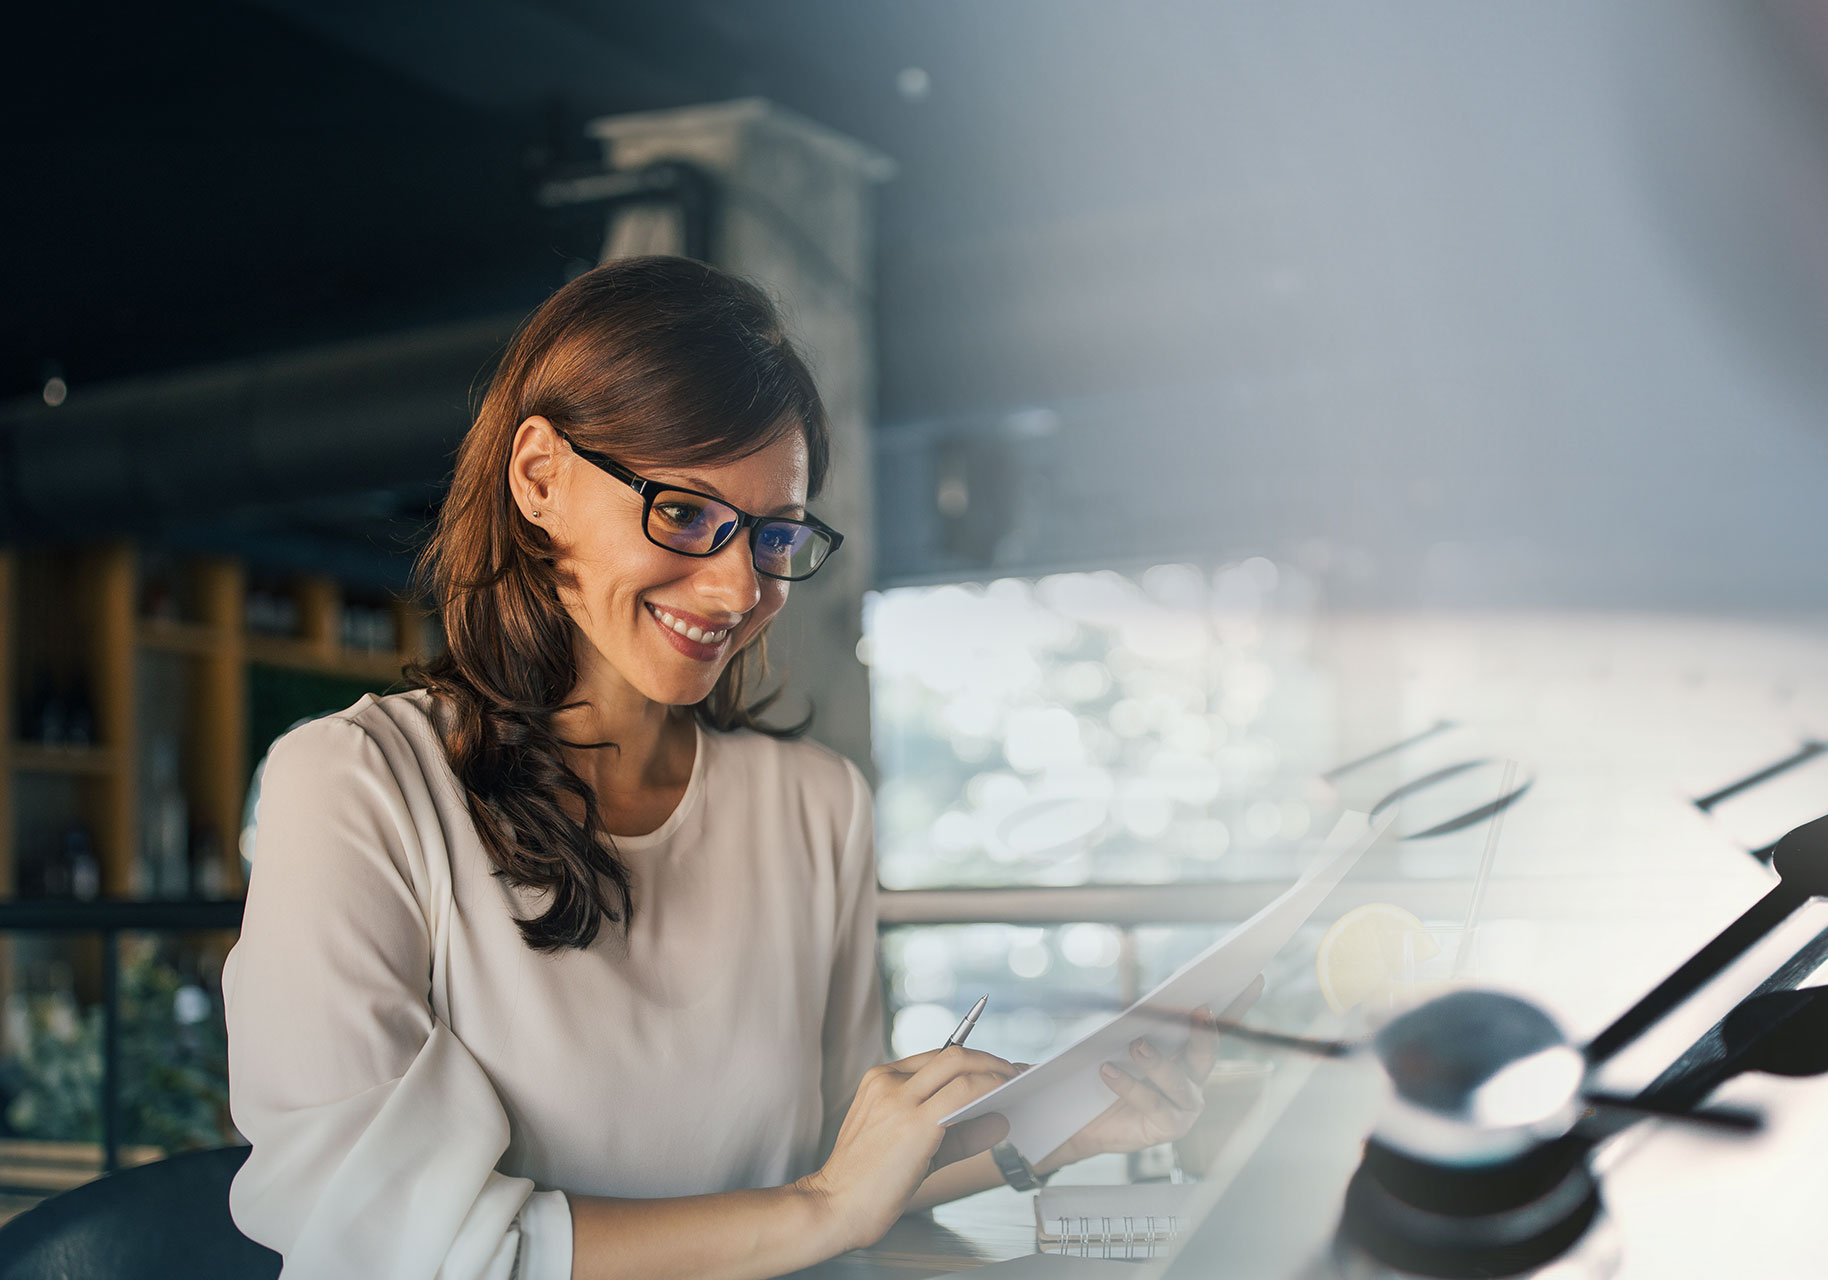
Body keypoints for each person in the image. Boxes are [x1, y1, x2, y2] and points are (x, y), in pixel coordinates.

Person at [222, 256, 1248, 1280]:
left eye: (773, 534)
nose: (734, 585)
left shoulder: (816, 805)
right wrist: (819, 1205)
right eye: (682, 511)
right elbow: (397, 1243)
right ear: (539, 478)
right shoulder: (356, 785)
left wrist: (1059, 1125)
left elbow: (842, 1178)